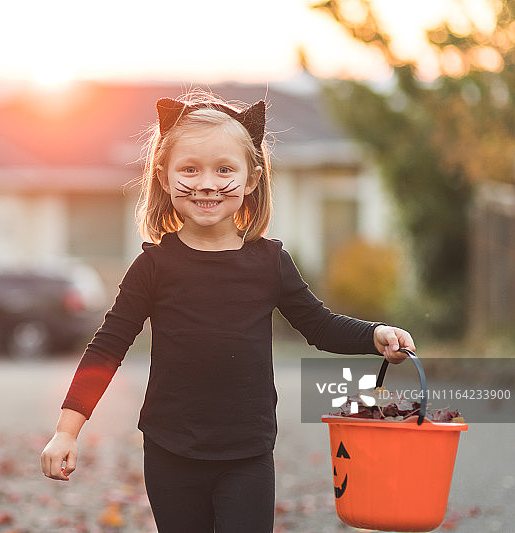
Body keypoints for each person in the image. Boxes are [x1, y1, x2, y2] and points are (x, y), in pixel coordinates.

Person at [40, 90, 414, 532]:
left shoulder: (269, 263)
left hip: (248, 454)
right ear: (163, 176)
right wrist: (67, 430)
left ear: (252, 178)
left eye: (224, 169)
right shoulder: (153, 267)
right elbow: (107, 348)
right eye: (190, 169)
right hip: (170, 450)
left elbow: (318, 325)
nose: (207, 183)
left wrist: (374, 335)